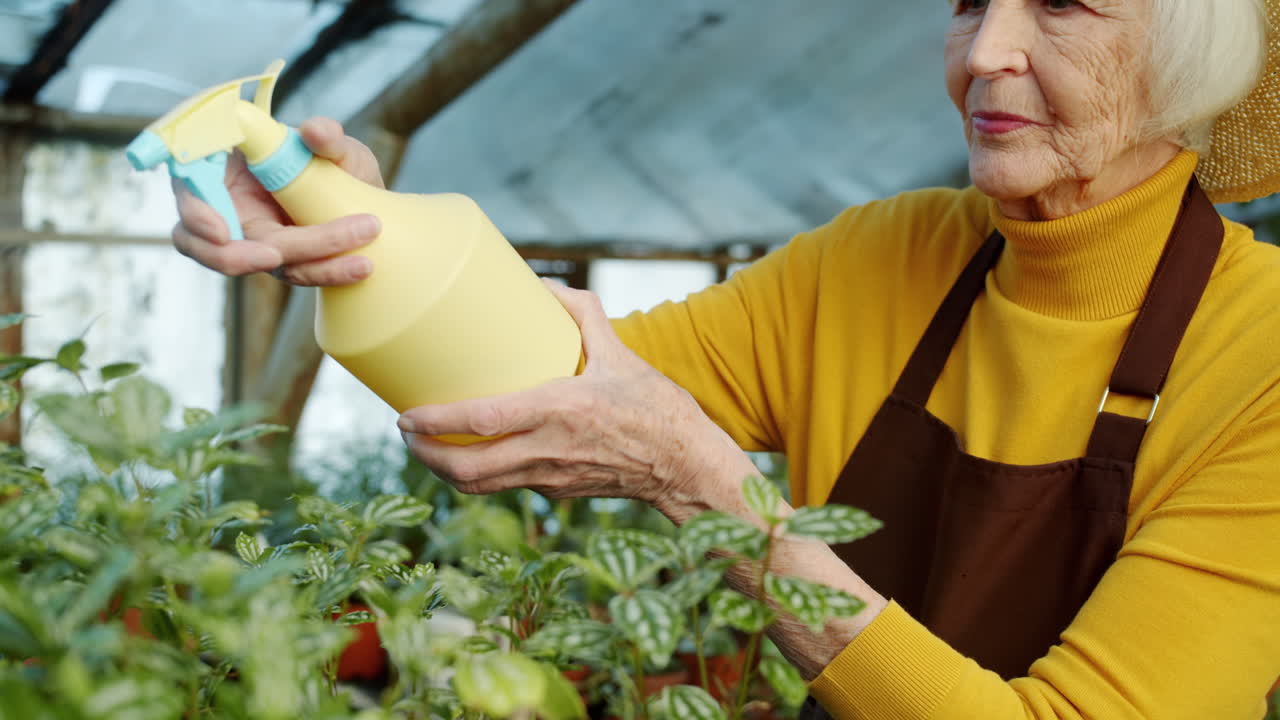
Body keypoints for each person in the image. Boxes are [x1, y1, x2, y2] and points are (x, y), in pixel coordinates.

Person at [169, 0, 1280, 716]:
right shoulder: (882, 257)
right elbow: (525, 394)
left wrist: (703, 485)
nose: (985, 50)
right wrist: (368, 240)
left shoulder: (1261, 357)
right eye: (966, 1)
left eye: (1060, 4)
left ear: (1189, 56)